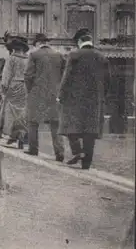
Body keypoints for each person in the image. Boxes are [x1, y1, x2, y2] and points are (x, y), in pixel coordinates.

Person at [57, 28, 111, 170]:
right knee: (90, 132)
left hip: (75, 99)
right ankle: (86, 164)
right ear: (91, 42)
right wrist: (102, 96)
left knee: (69, 125)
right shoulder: (102, 57)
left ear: (80, 42)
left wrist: (61, 95)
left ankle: (77, 151)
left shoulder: (74, 55)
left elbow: (66, 77)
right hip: (94, 100)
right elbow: (108, 81)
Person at [24, 33, 65, 161]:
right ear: (47, 42)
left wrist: (31, 90)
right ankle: (59, 152)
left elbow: (28, 75)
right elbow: (64, 76)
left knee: (32, 122)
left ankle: (33, 149)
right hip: (54, 94)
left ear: (38, 43)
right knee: (55, 123)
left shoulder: (34, 55)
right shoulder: (59, 55)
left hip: (37, 93)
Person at [0, 37, 29, 149]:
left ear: (14, 49)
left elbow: (6, 76)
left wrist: (3, 90)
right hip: (25, 87)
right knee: (22, 113)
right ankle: (22, 138)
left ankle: (9, 137)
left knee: (10, 112)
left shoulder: (11, 59)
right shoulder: (28, 59)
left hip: (14, 86)